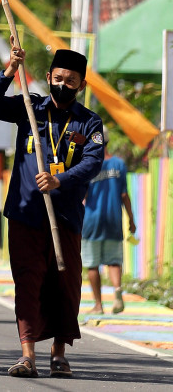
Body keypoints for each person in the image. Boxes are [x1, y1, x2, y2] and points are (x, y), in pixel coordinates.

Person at [0, 45, 104, 378]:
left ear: (81, 84)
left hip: (65, 218)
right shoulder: (30, 108)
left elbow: (93, 163)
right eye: (58, 78)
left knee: (65, 285)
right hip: (26, 214)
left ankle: (59, 354)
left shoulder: (90, 122)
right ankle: (27, 354)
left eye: (71, 80)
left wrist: (59, 180)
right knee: (28, 282)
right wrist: (9, 71)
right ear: (49, 77)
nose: (63, 84)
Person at [82, 128, 136, 314]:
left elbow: (83, 196)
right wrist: (131, 220)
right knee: (114, 261)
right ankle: (117, 293)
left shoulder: (88, 165)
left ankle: (98, 305)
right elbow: (124, 195)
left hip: (91, 221)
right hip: (114, 218)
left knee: (92, 264)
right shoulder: (119, 164)